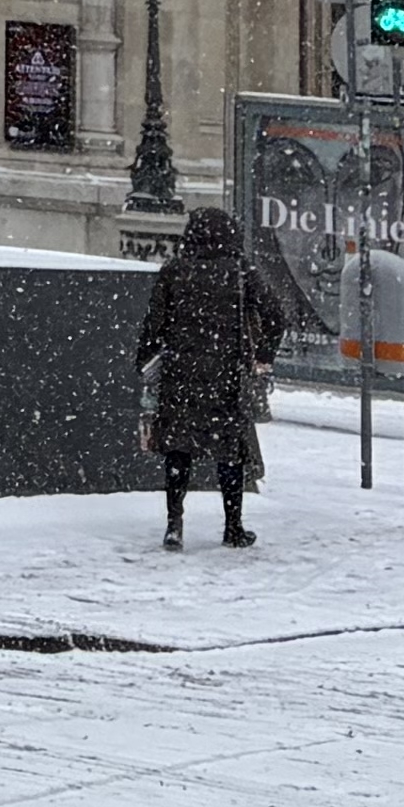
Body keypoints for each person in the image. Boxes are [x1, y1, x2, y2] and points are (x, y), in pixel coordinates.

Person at [136, 200, 294, 552]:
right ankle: (233, 526)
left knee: (178, 450)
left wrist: (146, 363)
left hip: (181, 374)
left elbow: (153, 326)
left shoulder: (174, 271)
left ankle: (174, 525)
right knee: (230, 453)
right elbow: (275, 316)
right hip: (227, 376)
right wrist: (262, 358)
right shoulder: (240, 272)